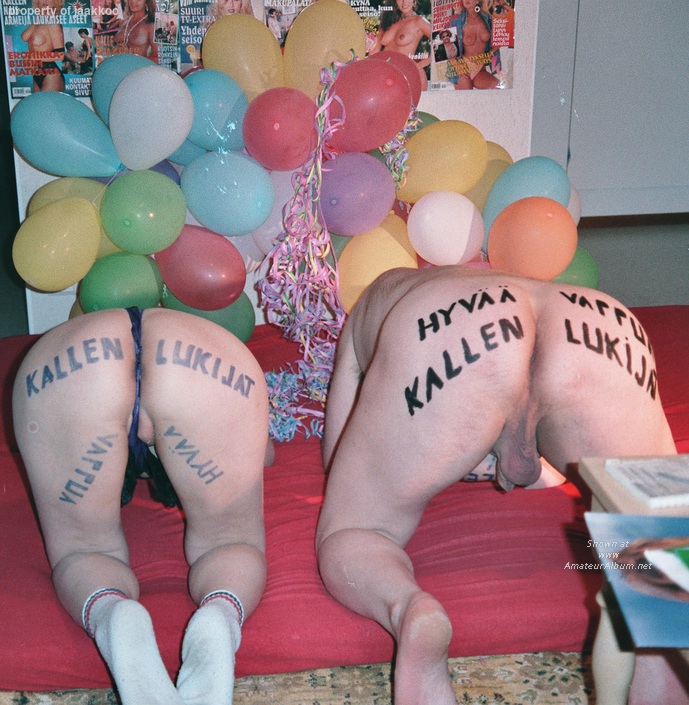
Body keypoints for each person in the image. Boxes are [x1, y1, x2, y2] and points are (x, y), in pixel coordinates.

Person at [315, 265, 677, 705]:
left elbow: (337, 459)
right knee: (657, 532)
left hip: (443, 329)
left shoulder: (383, 290)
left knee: (354, 531)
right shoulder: (538, 287)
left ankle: (410, 608)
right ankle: (661, 653)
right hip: (600, 325)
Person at [12, 307, 271, 705]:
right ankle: (220, 614)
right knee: (230, 540)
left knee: (85, 549)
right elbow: (263, 455)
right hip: (205, 362)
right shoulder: (202, 331)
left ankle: (112, 613)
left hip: (70, 364)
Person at [372, 0, 431, 84]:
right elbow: (374, 52)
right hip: (386, 74)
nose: (404, 3)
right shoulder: (387, 20)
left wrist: (418, 66)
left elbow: (440, 43)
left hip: (408, 75)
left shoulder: (419, 21)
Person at [448, 0, 499, 89]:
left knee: (499, 87)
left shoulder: (488, 19)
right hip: (462, 67)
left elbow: (499, 42)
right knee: (466, 97)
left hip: (480, 69)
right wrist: (457, 66)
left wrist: (488, 55)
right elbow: (444, 47)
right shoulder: (456, 20)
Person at [20, 0, 65, 92]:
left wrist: (34, 57)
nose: (45, 1)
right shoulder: (38, 20)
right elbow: (24, 37)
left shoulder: (53, 23)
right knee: (37, 102)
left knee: (47, 102)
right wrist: (40, 15)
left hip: (51, 74)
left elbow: (60, 55)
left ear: (56, 2)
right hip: (36, 72)